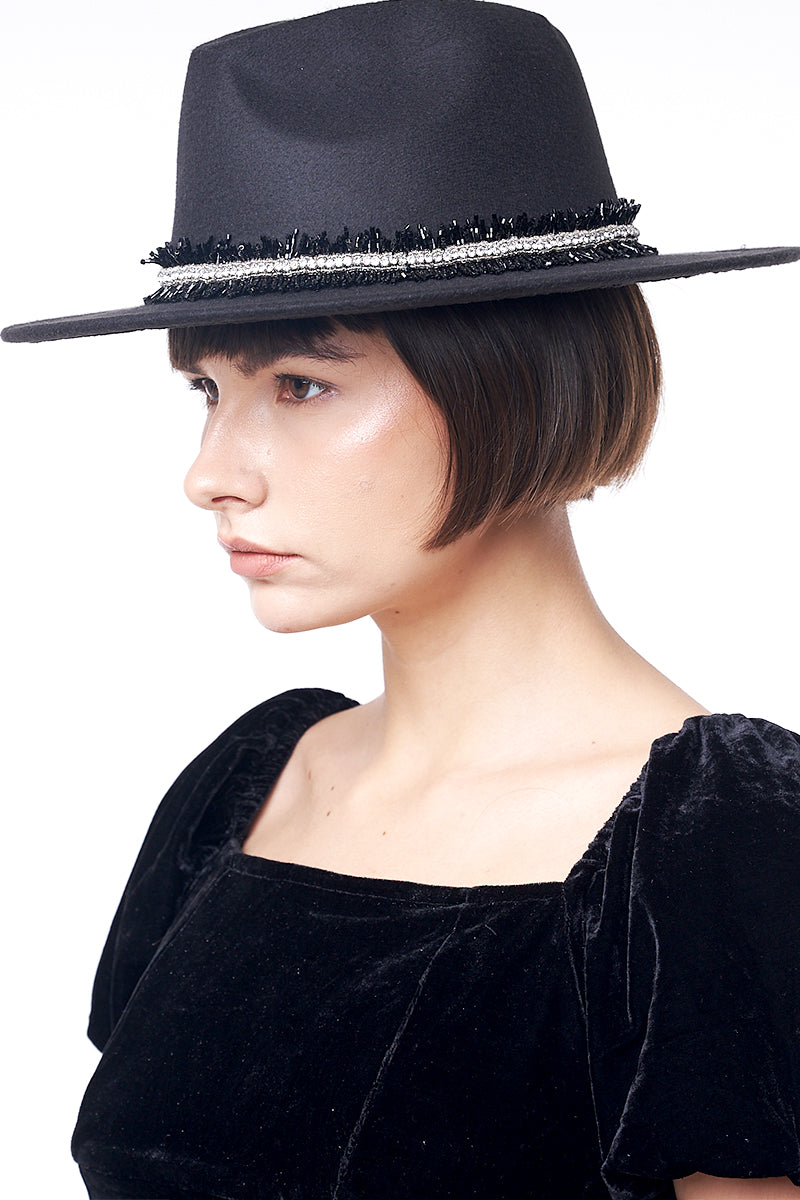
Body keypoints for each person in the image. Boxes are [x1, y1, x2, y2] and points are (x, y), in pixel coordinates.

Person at [3, 1, 799, 1198]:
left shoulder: (716, 848)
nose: (210, 474)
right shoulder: (249, 785)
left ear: (518, 380)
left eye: (300, 384)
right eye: (208, 391)